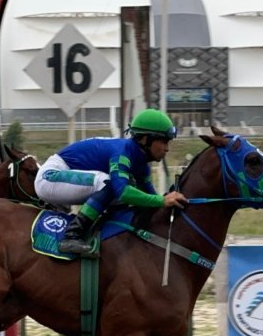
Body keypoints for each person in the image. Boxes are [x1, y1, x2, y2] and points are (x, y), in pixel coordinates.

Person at [34, 108, 189, 254]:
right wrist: (162, 200)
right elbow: (123, 192)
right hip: (49, 177)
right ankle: (72, 235)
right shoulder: (122, 152)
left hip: (64, 177)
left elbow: (150, 198)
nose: (167, 148)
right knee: (109, 183)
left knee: (129, 192)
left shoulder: (141, 163)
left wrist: (167, 204)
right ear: (145, 139)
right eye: (164, 142)